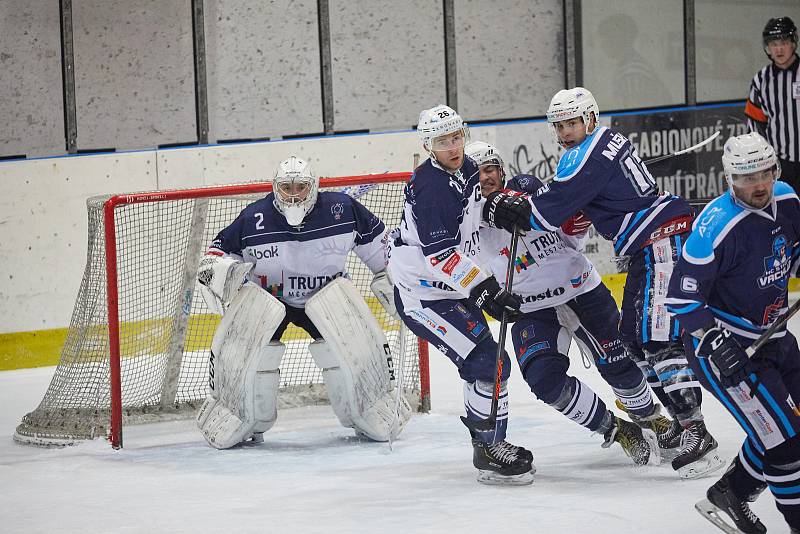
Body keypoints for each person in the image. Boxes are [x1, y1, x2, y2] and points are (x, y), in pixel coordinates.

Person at [505, 87, 724, 479]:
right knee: (634, 342)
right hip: (647, 246)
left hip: (661, 240)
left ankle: (696, 431)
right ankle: (677, 422)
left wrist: (520, 208)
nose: (566, 131)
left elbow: (546, 212)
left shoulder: (584, 154)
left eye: (572, 122)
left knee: (657, 340)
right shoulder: (607, 143)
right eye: (560, 125)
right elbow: (577, 208)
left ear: (589, 119)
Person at [466, 141, 679, 466]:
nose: (485, 178)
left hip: (581, 289)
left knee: (617, 363)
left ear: (501, 170)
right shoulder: (463, 223)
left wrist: (569, 216)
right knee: (544, 380)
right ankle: (618, 430)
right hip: (530, 309)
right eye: (477, 173)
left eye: (490, 169)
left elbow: (568, 236)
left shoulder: (525, 187)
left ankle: (651, 417)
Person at [194, 155, 411, 449]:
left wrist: (398, 280)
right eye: (286, 188)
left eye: (301, 187)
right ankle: (243, 416)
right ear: (275, 188)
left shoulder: (343, 209)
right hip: (269, 300)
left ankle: (369, 408)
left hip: (328, 298)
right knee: (251, 360)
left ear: (314, 187)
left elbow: (386, 251)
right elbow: (216, 254)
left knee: (352, 353)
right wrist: (221, 272)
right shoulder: (253, 218)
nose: (294, 194)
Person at [388, 105, 535, 486]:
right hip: (424, 297)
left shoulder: (467, 167)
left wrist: (497, 208)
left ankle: (490, 444)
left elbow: (472, 212)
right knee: (489, 363)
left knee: (490, 365)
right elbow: (439, 256)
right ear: (427, 145)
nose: (453, 147)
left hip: (452, 288)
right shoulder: (431, 187)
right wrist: (485, 289)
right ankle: (488, 449)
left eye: (457, 137)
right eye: (442, 141)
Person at [667, 133, 800, 534]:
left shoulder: (789, 199)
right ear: (729, 180)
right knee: (786, 445)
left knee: (783, 431)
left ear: (775, 170)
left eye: (763, 173)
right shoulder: (715, 226)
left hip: (773, 335)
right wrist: (713, 341)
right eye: (745, 177)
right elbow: (680, 299)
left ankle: (731, 492)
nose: (757, 185)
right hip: (726, 354)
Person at [746, 16, 800, 193]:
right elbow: (755, 127)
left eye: (783, 41)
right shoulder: (760, 81)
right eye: (773, 43)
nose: (778, 48)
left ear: (793, 42)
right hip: (781, 164)